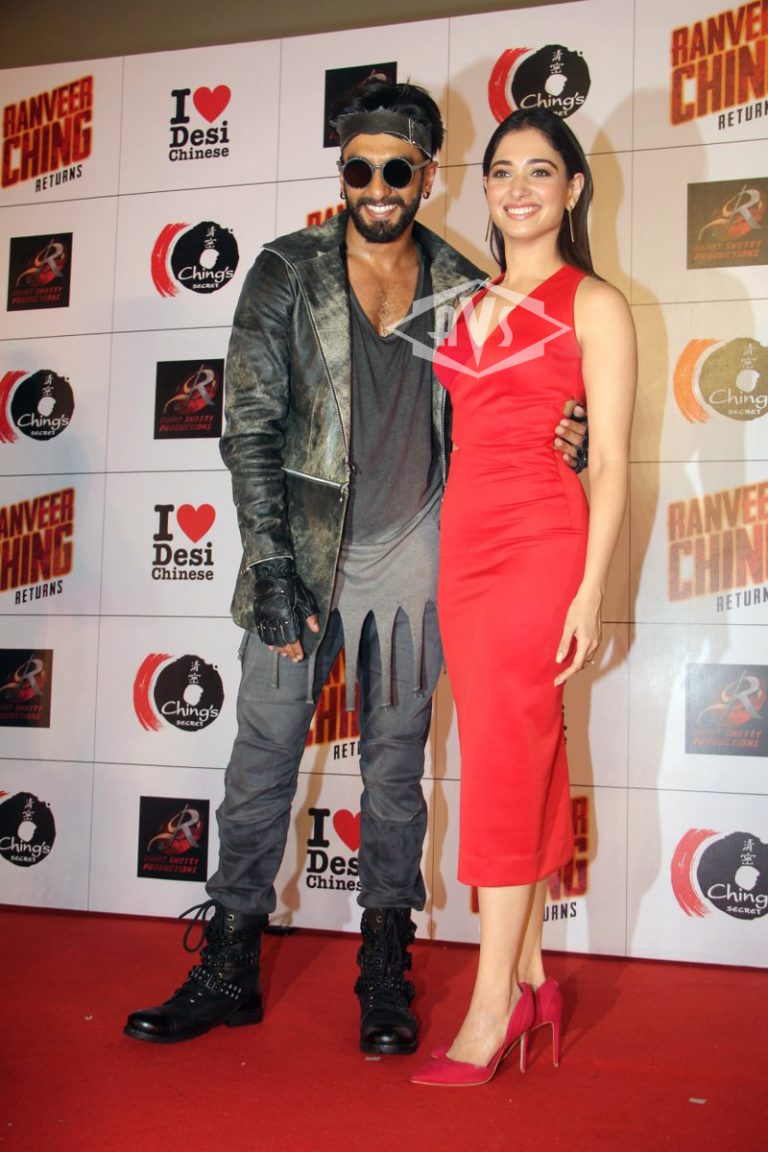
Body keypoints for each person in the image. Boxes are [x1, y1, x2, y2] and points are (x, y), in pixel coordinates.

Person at [123, 83, 588, 1055]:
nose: (376, 186)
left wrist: (568, 434)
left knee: (395, 771)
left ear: (427, 173)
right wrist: (272, 564)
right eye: (358, 167)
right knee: (261, 760)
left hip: (413, 557)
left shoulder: (465, 283)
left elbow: (514, 408)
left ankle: (385, 970)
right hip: (300, 554)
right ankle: (230, 967)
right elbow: (248, 427)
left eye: (396, 167)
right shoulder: (286, 270)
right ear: (342, 172)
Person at [410, 108, 636, 1086]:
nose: (519, 188)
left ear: (573, 188)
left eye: (541, 171)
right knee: (517, 755)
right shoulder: (462, 302)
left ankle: (491, 1003)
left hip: (541, 545)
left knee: (502, 764)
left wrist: (590, 589)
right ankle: (536, 975)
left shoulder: (596, 303)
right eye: (503, 171)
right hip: (462, 548)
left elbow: (611, 461)